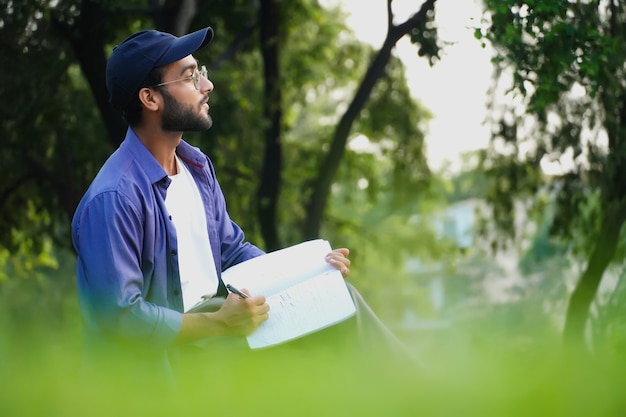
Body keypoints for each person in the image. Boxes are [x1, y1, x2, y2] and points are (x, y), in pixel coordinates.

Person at [71, 26, 414, 384]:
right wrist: (217, 323)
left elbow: (232, 250)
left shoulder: (196, 167)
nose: (207, 86)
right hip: (174, 361)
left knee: (338, 300)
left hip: (219, 332)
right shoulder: (114, 199)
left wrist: (309, 270)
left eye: (200, 73)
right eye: (190, 77)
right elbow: (121, 318)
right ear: (150, 99)